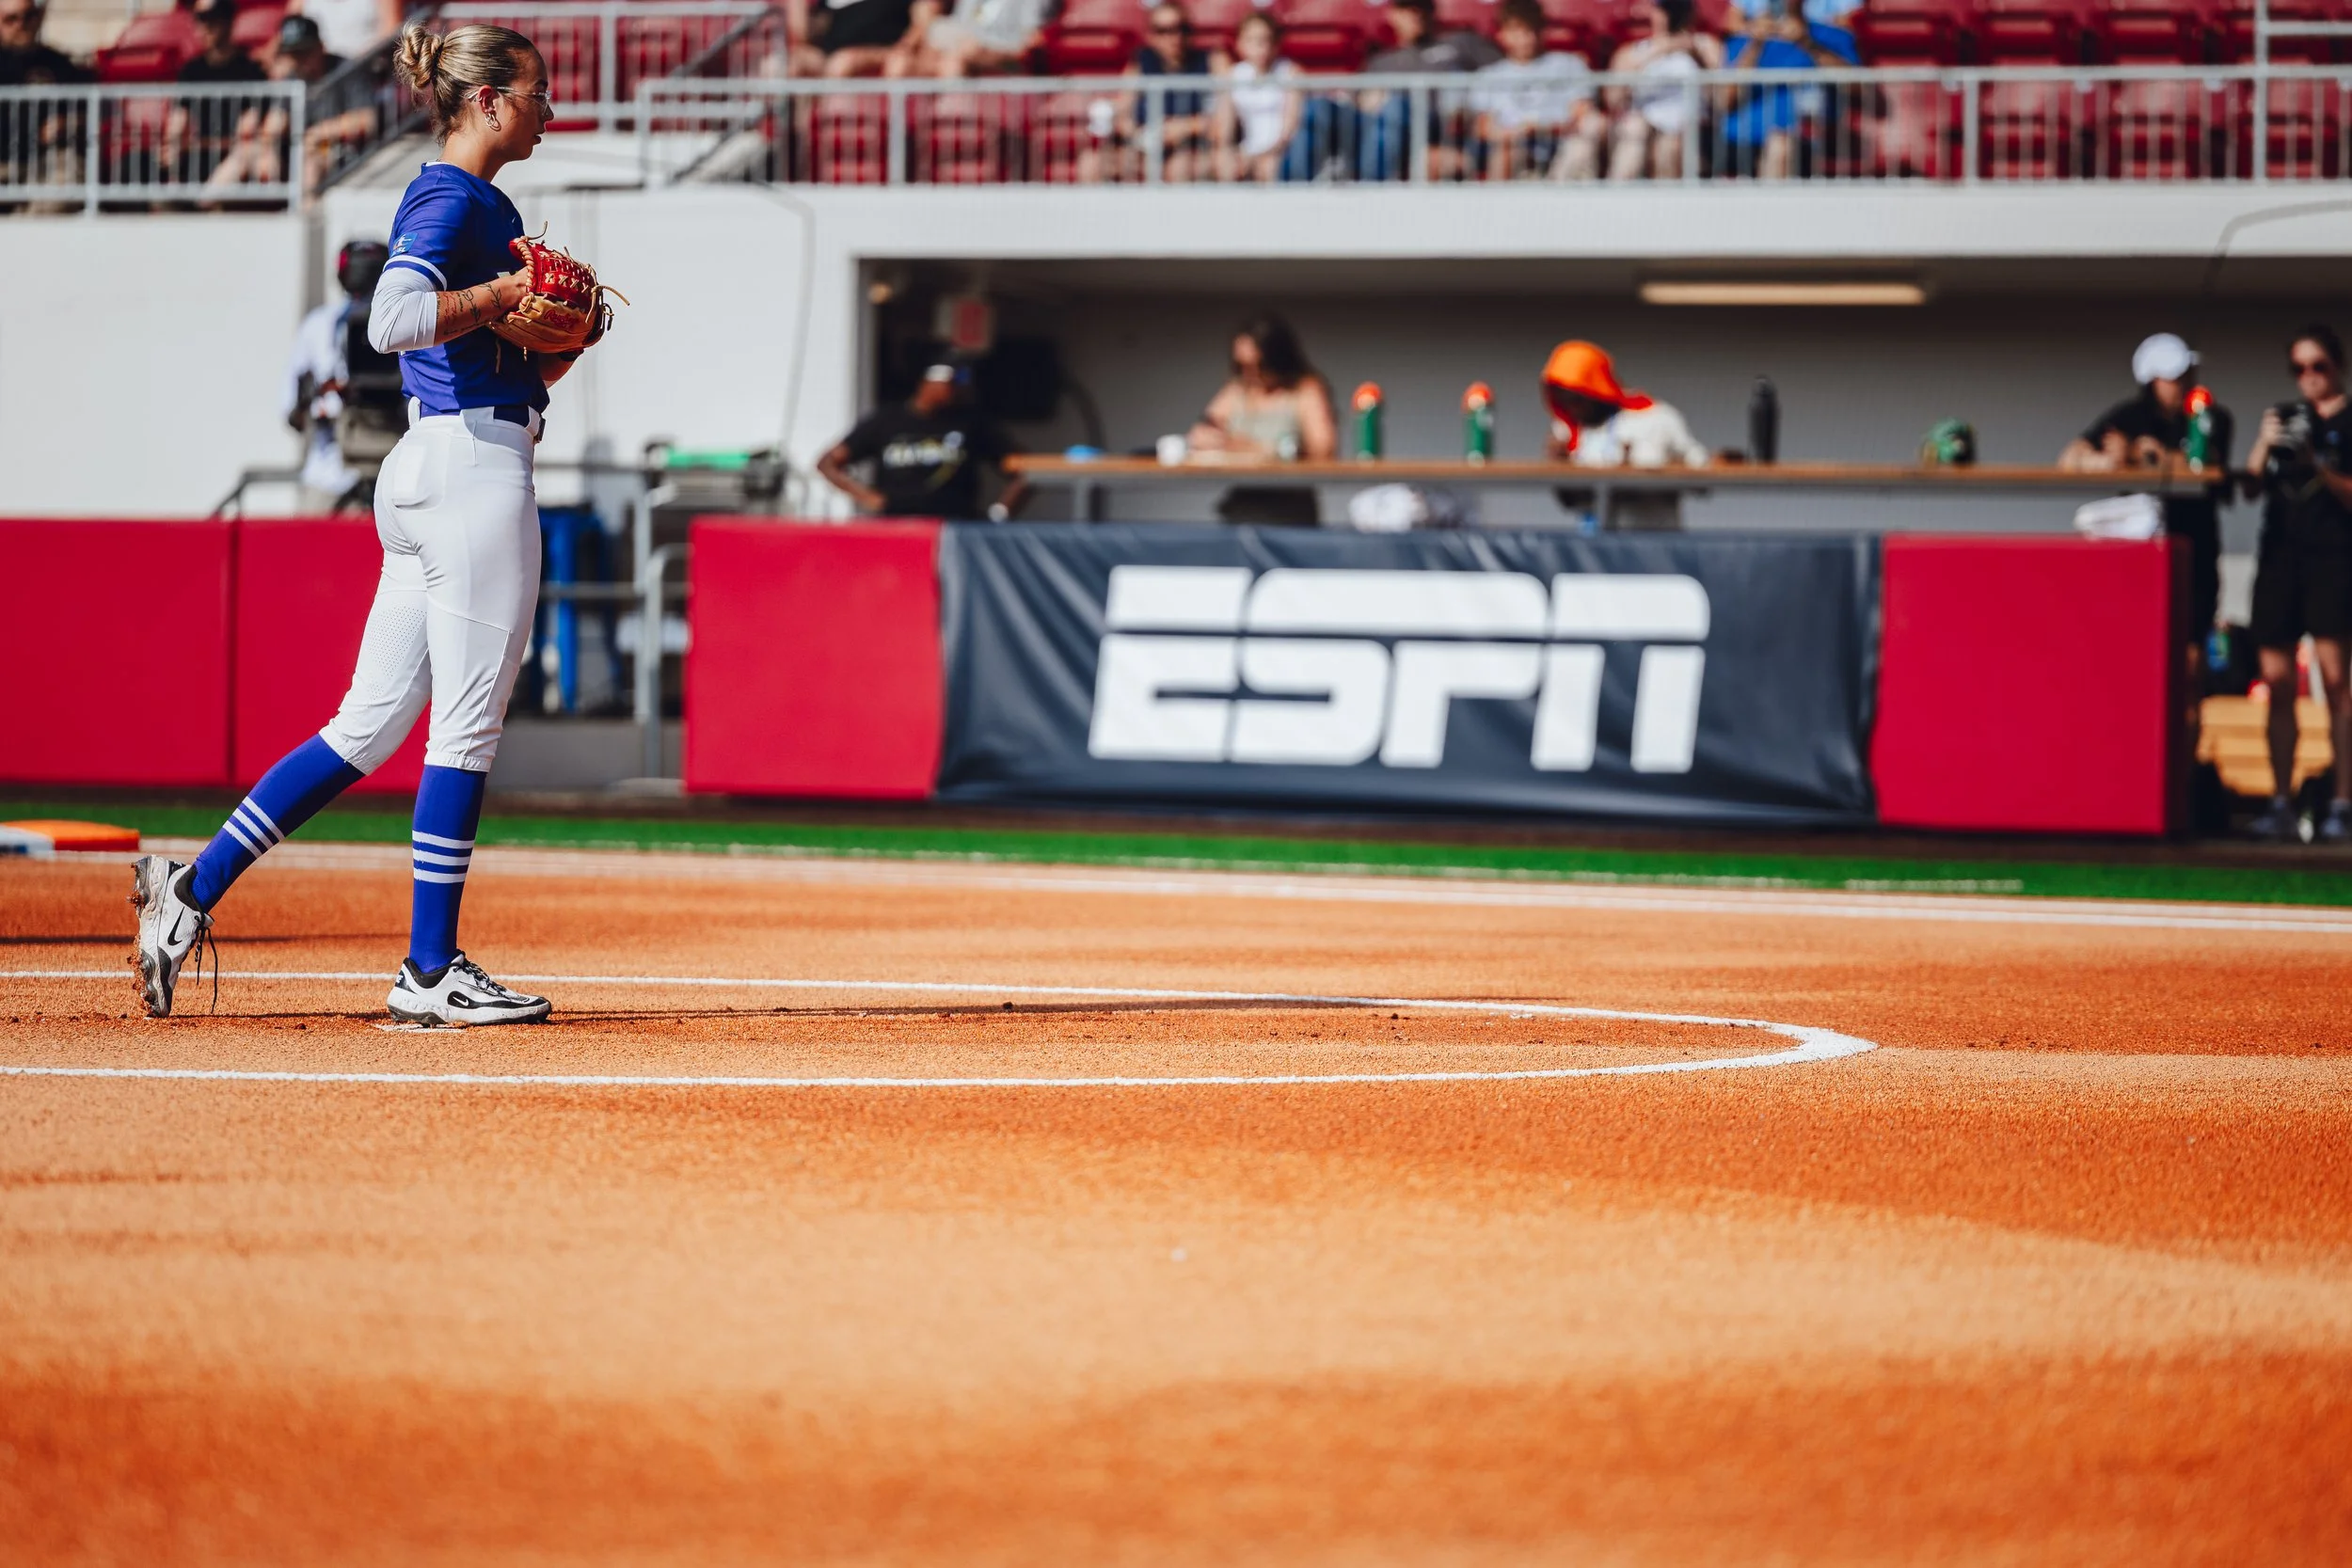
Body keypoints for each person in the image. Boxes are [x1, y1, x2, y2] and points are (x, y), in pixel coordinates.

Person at [132, 22, 605, 1026]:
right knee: (464, 727)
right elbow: (394, 321)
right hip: (472, 471)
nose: (549, 107)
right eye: (536, 90)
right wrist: (502, 292)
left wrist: (550, 340)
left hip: (440, 461)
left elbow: (495, 353)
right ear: (486, 100)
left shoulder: (483, 201)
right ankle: (429, 970)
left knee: (365, 726)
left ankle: (188, 890)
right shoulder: (450, 193)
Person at [2059, 331, 2234, 672]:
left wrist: (2153, 457)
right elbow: (2071, 456)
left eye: (2188, 374)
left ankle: (2188, 720)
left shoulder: (2210, 417)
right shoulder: (2130, 416)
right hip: (2140, 548)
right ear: (2153, 380)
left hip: (2194, 541)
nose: (2184, 383)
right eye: (2174, 377)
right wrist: (2109, 461)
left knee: (2191, 643)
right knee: (2138, 642)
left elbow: (2207, 467)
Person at [2241, 324, 2352, 843]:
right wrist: (2264, 444)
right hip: (2280, 562)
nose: (2309, 378)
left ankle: (2340, 805)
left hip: (2332, 561)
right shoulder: (2285, 418)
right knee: (2278, 683)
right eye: (2299, 368)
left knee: (2335, 685)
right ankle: (2281, 802)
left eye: (2318, 367)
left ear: (2336, 367)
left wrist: (2319, 466)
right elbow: (2247, 487)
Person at [817, 363, 1027, 519]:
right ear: (926, 384)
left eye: (955, 385)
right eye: (947, 384)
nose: (952, 391)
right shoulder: (887, 420)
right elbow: (828, 462)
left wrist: (1000, 513)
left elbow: (1023, 469)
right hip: (899, 524)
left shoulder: (971, 423)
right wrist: (866, 497)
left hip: (954, 524)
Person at [1541, 340, 1708, 531]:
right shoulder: (1567, 430)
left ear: (1596, 389)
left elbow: (1702, 482)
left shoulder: (1656, 418)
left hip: (1654, 544)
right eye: (1562, 401)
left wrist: (1636, 478)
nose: (1572, 409)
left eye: (1576, 400)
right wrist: (1560, 469)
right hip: (1595, 549)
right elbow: (1569, 502)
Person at [285, 238, 400, 512]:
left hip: (391, 467)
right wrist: (324, 397)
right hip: (329, 473)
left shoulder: (402, 327)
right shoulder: (319, 326)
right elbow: (291, 410)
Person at [1189, 313, 1336, 524]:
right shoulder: (1238, 389)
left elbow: (1324, 452)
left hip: (1289, 511)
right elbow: (1204, 428)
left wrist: (1251, 448)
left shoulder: (1304, 390)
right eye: (1242, 366)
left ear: (1279, 359)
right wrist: (1205, 438)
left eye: (1259, 365)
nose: (1251, 373)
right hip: (1243, 507)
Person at [1353, 0, 1495, 182]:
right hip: (1399, 138)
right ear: (1392, 14)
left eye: (1421, 7)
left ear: (1433, 10)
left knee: (1395, 107)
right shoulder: (1381, 63)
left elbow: (1508, 74)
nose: (1415, 15)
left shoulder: (1461, 44)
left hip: (1451, 132)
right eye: (1407, 9)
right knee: (1319, 109)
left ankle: (1372, 188)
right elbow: (1360, 105)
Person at [1083, 4, 1221, 184]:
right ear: (1151, 35)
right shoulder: (1140, 63)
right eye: (1164, 30)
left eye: (1181, 28)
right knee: (1090, 164)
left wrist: (1185, 127)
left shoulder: (1213, 61)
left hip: (1192, 147)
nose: (1175, 37)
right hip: (1144, 147)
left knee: (1181, 168)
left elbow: (1223, 121)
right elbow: (1124, 108)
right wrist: (1139, 134)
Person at [1722, 0, 1858, 181]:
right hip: (1740, 143)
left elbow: (1858, 88)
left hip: (1808, 141)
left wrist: (1807, 43)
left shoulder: (1832, 36)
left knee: (1781, 144)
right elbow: (1725, 99)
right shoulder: (1741, 40)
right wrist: (1755, 44)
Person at [1470, 0, 1602, 182]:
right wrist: (1517, 133)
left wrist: (1547, 128)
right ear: (1502, 34)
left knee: (1582, 145)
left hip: (1562, 146)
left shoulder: (1570, 64)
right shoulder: (1490, 75)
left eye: (1531, 30)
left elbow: (1582, 114)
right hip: (1516, 148)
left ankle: (1564, 201)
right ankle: (1496, 207)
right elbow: (1484, 127)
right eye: (1517, 32)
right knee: (1506, 154)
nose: (1526, 39)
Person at [1601, 0, 1723, 182]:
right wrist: (1656, 52)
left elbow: (1722, 97)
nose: (1668, 16)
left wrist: (1696, 56)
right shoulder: (1632, 53)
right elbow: (1612, 99)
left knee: (1668, 147)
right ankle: (1617, 192)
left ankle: (1668, 206)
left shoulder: (1706, 46)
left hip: (1689, 127)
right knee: (1634, 132)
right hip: (1644, 123)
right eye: (1664, 10)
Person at [0, 0, 92, 211]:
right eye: (11, 19)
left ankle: (29, 233)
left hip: (45, 161)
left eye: (29, 16)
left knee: (69, 176)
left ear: (39, 17)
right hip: (3, 161)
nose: (21, 25)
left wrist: (66, 123)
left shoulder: (59, 64)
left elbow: (88, 114)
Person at [167, 0, 269, 190]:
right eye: (201, 21)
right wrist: (171, 152)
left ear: (228, 23)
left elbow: (249, 126)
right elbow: (178, 121)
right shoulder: (191, 71)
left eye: (212, 21)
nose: (204, 28)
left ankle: (206, 202)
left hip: (237, 156)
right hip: (198, 157)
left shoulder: (251, 70)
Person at [1213, 13, 1303, 183]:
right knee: (1224, 164)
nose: (1260, 47)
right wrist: (1231, 153)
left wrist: (1263, 155)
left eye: (1265, 40)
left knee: (1270, 167)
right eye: (1252, 40)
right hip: (1249, 150)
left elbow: (1290, 129)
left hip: (1283, 151)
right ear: (1240, 44)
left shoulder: (1290, 72)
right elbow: (1225, 129)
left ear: (1276, 43)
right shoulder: (1233, 76)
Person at [886, 0, 1047, 77]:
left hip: (1000, 53)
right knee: (899, 62)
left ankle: (952, 132)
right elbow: (961, 27)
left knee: (954, 62)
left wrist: (987, 50)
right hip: (959, 46)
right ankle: (898, 136)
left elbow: (1031, 40)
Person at [787, 0, 915, 77]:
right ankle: (793, 122)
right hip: (831, 50)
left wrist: (904, 47)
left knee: (841, 63)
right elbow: (807, 34)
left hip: (885, 49)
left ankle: (835, 120)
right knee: (788, 64)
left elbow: (922, 14)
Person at [286, 0, 402, 59]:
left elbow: (390, 33)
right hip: (319, 75)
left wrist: (350, 64)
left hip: (365, 75)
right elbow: (287, 32)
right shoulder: (300, 2)